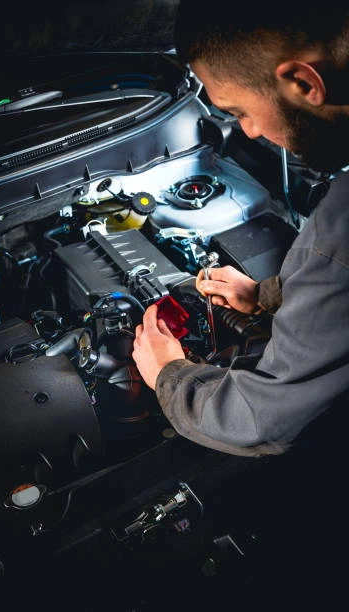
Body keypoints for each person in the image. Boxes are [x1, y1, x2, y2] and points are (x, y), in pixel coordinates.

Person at [132, 1, 349, 457]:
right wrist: (266, 295)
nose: (247, 132)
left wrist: (169, 373)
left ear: (304, 83)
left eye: (239, 110)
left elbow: (261, 419)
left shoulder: (339, 231)